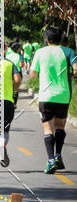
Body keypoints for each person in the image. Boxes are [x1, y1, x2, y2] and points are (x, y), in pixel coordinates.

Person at [30, 26, 77, 173]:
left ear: (46, 39)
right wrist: (71, 75)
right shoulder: (68, 51)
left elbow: (32, 75)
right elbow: (76, 69)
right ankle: (58, 155)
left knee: (48, 128)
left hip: (46, 95)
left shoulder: (40, 52)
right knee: (60, 127)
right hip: (63, 95)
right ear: (61, 39)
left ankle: (50, 161)